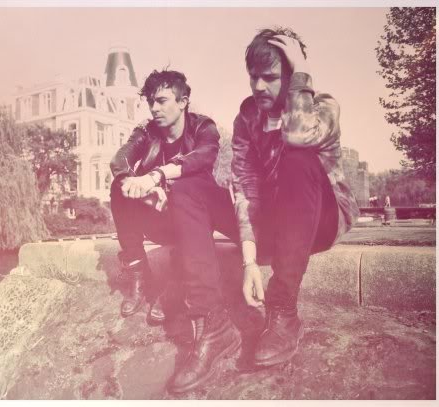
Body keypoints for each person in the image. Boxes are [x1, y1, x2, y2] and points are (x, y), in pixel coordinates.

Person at [231, 28, 359, 367]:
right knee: (197, 191)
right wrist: (249, 259)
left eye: (271, 77)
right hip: (276, 220)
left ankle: (284, 311)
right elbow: (245, 184)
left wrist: (301, 69)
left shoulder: (323, 107)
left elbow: (298, 135)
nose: (259, 86)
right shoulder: (247, 117)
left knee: (297, 157)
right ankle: (203, 312)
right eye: (253, 77)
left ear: (291, 78)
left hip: (322, 220)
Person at [110, 69, 241, 393]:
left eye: (162, 100)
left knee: (187, 187)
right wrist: (135, 185)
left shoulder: (203, 127)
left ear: (183, 101)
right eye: (151, 102)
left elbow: (201, 159)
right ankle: (138, 273)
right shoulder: (146, 132)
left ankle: (192, 300)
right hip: (165, 214)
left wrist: (157, 177)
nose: (155, 108)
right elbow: (121, 159)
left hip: (202, 211)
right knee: (119, 187)